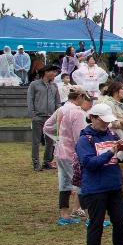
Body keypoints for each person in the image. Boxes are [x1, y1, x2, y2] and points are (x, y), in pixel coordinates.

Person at [75, 102, 123, 245]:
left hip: (114, 185)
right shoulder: (84, 140)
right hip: (95, 188)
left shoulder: (113, 135)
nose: (106, 124)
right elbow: (89, 163)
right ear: (92, 118)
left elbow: (121, 160)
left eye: (108, 121)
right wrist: (111, 152)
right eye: (103, 120)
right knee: (96, 223)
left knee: (120, 221)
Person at [43, 88, 93, 226]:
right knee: (82, 183)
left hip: (60, 151)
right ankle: (91, 217)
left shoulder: (61, 109)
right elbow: (79, 136)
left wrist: (59, 138)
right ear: (80, 96)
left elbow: (47, 127)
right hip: (72, 153)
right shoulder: (77, 112)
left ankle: (64, 215)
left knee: (64, 183)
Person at [28, 65, 61, 170]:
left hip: (51, 117)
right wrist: (33, 114)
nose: (54, 74)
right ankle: (36, 162)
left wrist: (58, 114)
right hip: (38, 117)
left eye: (55, 72)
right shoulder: (34, 84)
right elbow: (30, 99)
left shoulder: (54, 86)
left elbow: (57, 102)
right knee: (36, 141)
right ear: (46, 72)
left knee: (50, 141)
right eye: (52, 71)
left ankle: (47, 161)